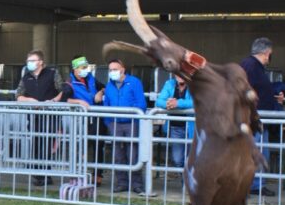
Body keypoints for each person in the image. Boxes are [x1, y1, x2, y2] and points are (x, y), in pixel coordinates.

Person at [95, 57, 148, 194]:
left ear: (122, 70)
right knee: (117, 155)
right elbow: (106, 106)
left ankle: (137, 184)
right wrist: (109, 122)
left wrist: (132, 116)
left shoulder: (134, 82)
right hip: (115, 124)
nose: (112, 72)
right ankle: (122, 183)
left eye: (115, 69)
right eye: (110, 70)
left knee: (133, 154)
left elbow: (141, 104)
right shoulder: (109, 85)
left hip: (131, 123)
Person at [240, 38, 285, 198]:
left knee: (258, 153)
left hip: (258, 118)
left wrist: (273, 99)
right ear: (265, 53)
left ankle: (255, 184)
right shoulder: (251, 67)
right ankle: (252, 185)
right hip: (254, 119)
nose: (269, 58)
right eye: (269, 55)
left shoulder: (252, 67)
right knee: (256, 153)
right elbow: (247, 92)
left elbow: (258, 91)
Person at [16, 49, 63, 183]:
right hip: (34, 115)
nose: (29, 63)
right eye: (28, 61)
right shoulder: (26, 77)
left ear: (40, 62)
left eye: (32, 60)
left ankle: (46, 174)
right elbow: (18, 96)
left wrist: (53, 102)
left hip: (51, 116)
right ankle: (37, 173)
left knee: (47, 144)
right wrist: (29, 101)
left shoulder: (52, 74)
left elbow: (63, 90)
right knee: (36, 143)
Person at [62, 56, 103, 182]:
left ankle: (97, 175)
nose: (86, 70)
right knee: (80, 146)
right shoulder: (69, 83)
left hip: (95, 117)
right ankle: (76, 174)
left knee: (98, 144)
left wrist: (100, 93)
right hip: (80, 120)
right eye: (83, 68)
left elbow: (103, 87)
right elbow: (64, 99)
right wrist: (78, 101)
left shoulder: (91, 78)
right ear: (75, 69)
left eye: (87, 67)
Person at [155, 73, 195, 168]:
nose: (180, 75)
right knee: (177, 159)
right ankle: (184, 179)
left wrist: (178, 103)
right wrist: (168, 104)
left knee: (192, 159)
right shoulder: (169, 83)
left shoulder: (195, 84)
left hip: (192, 127)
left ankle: (187, 182)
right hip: (175, 127)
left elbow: (196, 101)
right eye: (177, 73)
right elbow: (159, 101)